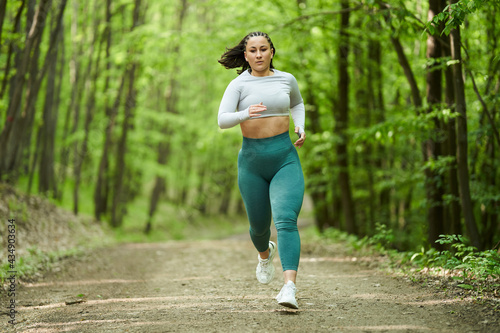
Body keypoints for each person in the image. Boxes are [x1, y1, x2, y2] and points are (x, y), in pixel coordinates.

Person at [217, 31, 306, 309]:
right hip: (252, 163)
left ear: (271, 52)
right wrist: (246, 114)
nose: (258, 55)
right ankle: (264, 254)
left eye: (263, 49)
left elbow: (297, 103)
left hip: (284, 159)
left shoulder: (286, 79)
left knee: (286, 220)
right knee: (259, 228)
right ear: (245, 56)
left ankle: (289, 287)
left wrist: (300, 125)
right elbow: (222, 120)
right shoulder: (238, 85)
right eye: (252, 50)